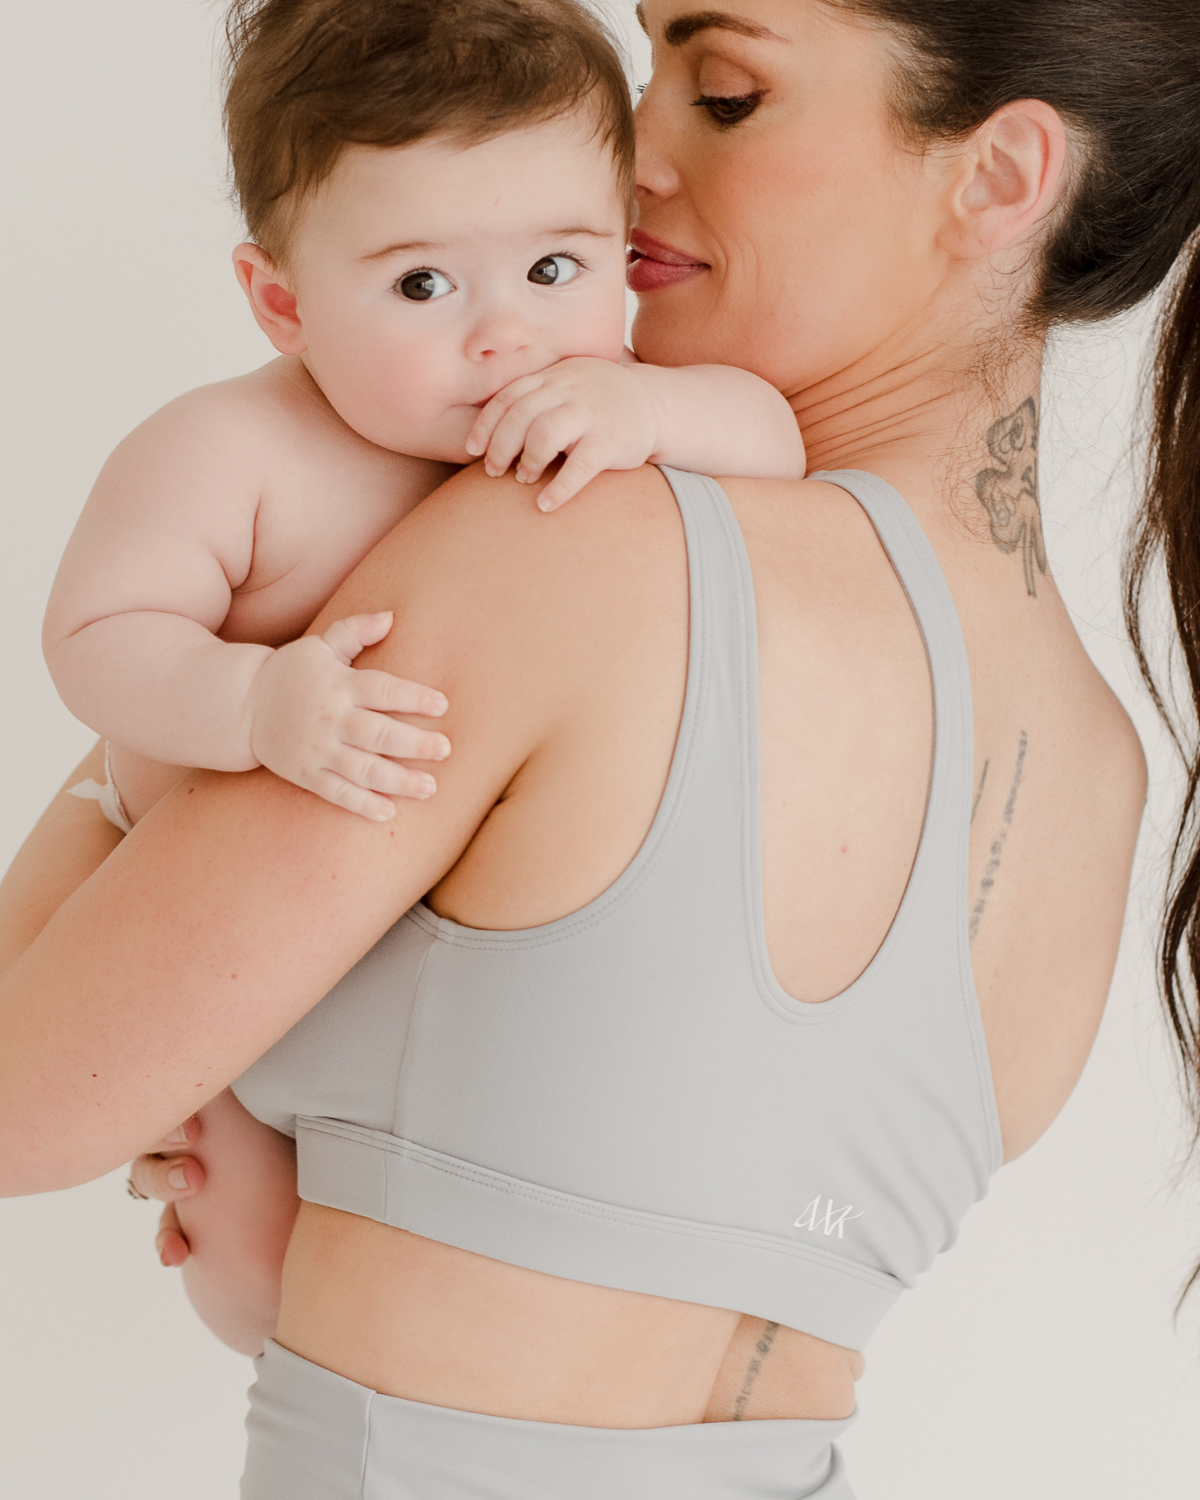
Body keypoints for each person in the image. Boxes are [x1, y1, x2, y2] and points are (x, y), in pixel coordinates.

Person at [8, 0, 1197, 1493]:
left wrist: (168, 707)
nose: (633, 154)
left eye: (724, 89)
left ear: (1002, 176)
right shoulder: (1103, 773)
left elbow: (21, 1097)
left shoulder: (577, 541)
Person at [42, 0, 802, 831]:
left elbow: (775, 448)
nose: (506, 336)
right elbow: (97, 637)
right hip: (233, 856)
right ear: (282, 301)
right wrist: (252, 701)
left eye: (553, 267)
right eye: (423, 284)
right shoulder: (231, 453)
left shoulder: (603, 392)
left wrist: (653, 406)